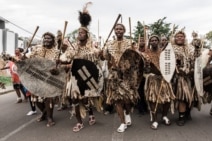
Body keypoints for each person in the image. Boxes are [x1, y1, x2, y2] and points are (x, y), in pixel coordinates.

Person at [62, 3, 102, 132]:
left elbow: (99, 59)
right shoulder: (73, 47)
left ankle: (90, 114)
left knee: (86, 98)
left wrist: (102, 54)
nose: (80, 34)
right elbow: (67, 56)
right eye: (79, 32)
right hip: (74, 77)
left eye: (82, 33)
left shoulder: (93, 49)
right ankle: (79, 122)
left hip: (87, 76)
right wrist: (61, 60)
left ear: (87, 35)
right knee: (74, 98)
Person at [102, 23, 142, 133]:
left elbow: (137, 57)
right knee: (117, 100)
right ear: (114, 31)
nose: (118, 30)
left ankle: (128, 113)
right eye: (117, 29)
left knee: (127, 99)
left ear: (124, 31)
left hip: (128, 76)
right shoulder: (110, 44)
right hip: (115, 75)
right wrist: (103, 49)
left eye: (121, 29)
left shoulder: (130, 42)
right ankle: (122, 122)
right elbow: (105, 58)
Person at [26, 32, 60, 127]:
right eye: (45, 38)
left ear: (53, 40)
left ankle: (50, 117)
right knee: (36, 99)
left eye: (49, 38)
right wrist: (23, 56)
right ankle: (45, 113)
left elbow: (59, 69)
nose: (46, 40)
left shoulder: (57, 52)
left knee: (48, 99)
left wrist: (56, 69)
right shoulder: (37, 49)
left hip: (49, 79)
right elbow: (27, 59)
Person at [141, 35, 175, 129]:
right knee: (153, 100)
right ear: (150, 42)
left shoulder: (164, 52)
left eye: (156, 40)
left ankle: (164, 116)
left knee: (167, 99)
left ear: (159, 41)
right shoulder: (146, 53)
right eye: (152, 40)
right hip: (153, 79)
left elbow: (170, 64)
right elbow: (143, 68)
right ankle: (155, 120)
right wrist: (147, 65)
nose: (154, 41)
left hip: (164, 78)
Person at [171, 31, 196, 126]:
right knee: (181, 97)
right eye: (178, 36)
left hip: (191, 76)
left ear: (184, 38)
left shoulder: (190, 48)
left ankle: (187, 112)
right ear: (175, 38)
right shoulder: (171, 48)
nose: (180, 38)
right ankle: (181, 116)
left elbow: (196, 60)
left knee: (191, 97)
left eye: (181, 36)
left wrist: (193, 70)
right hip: (179, 77)